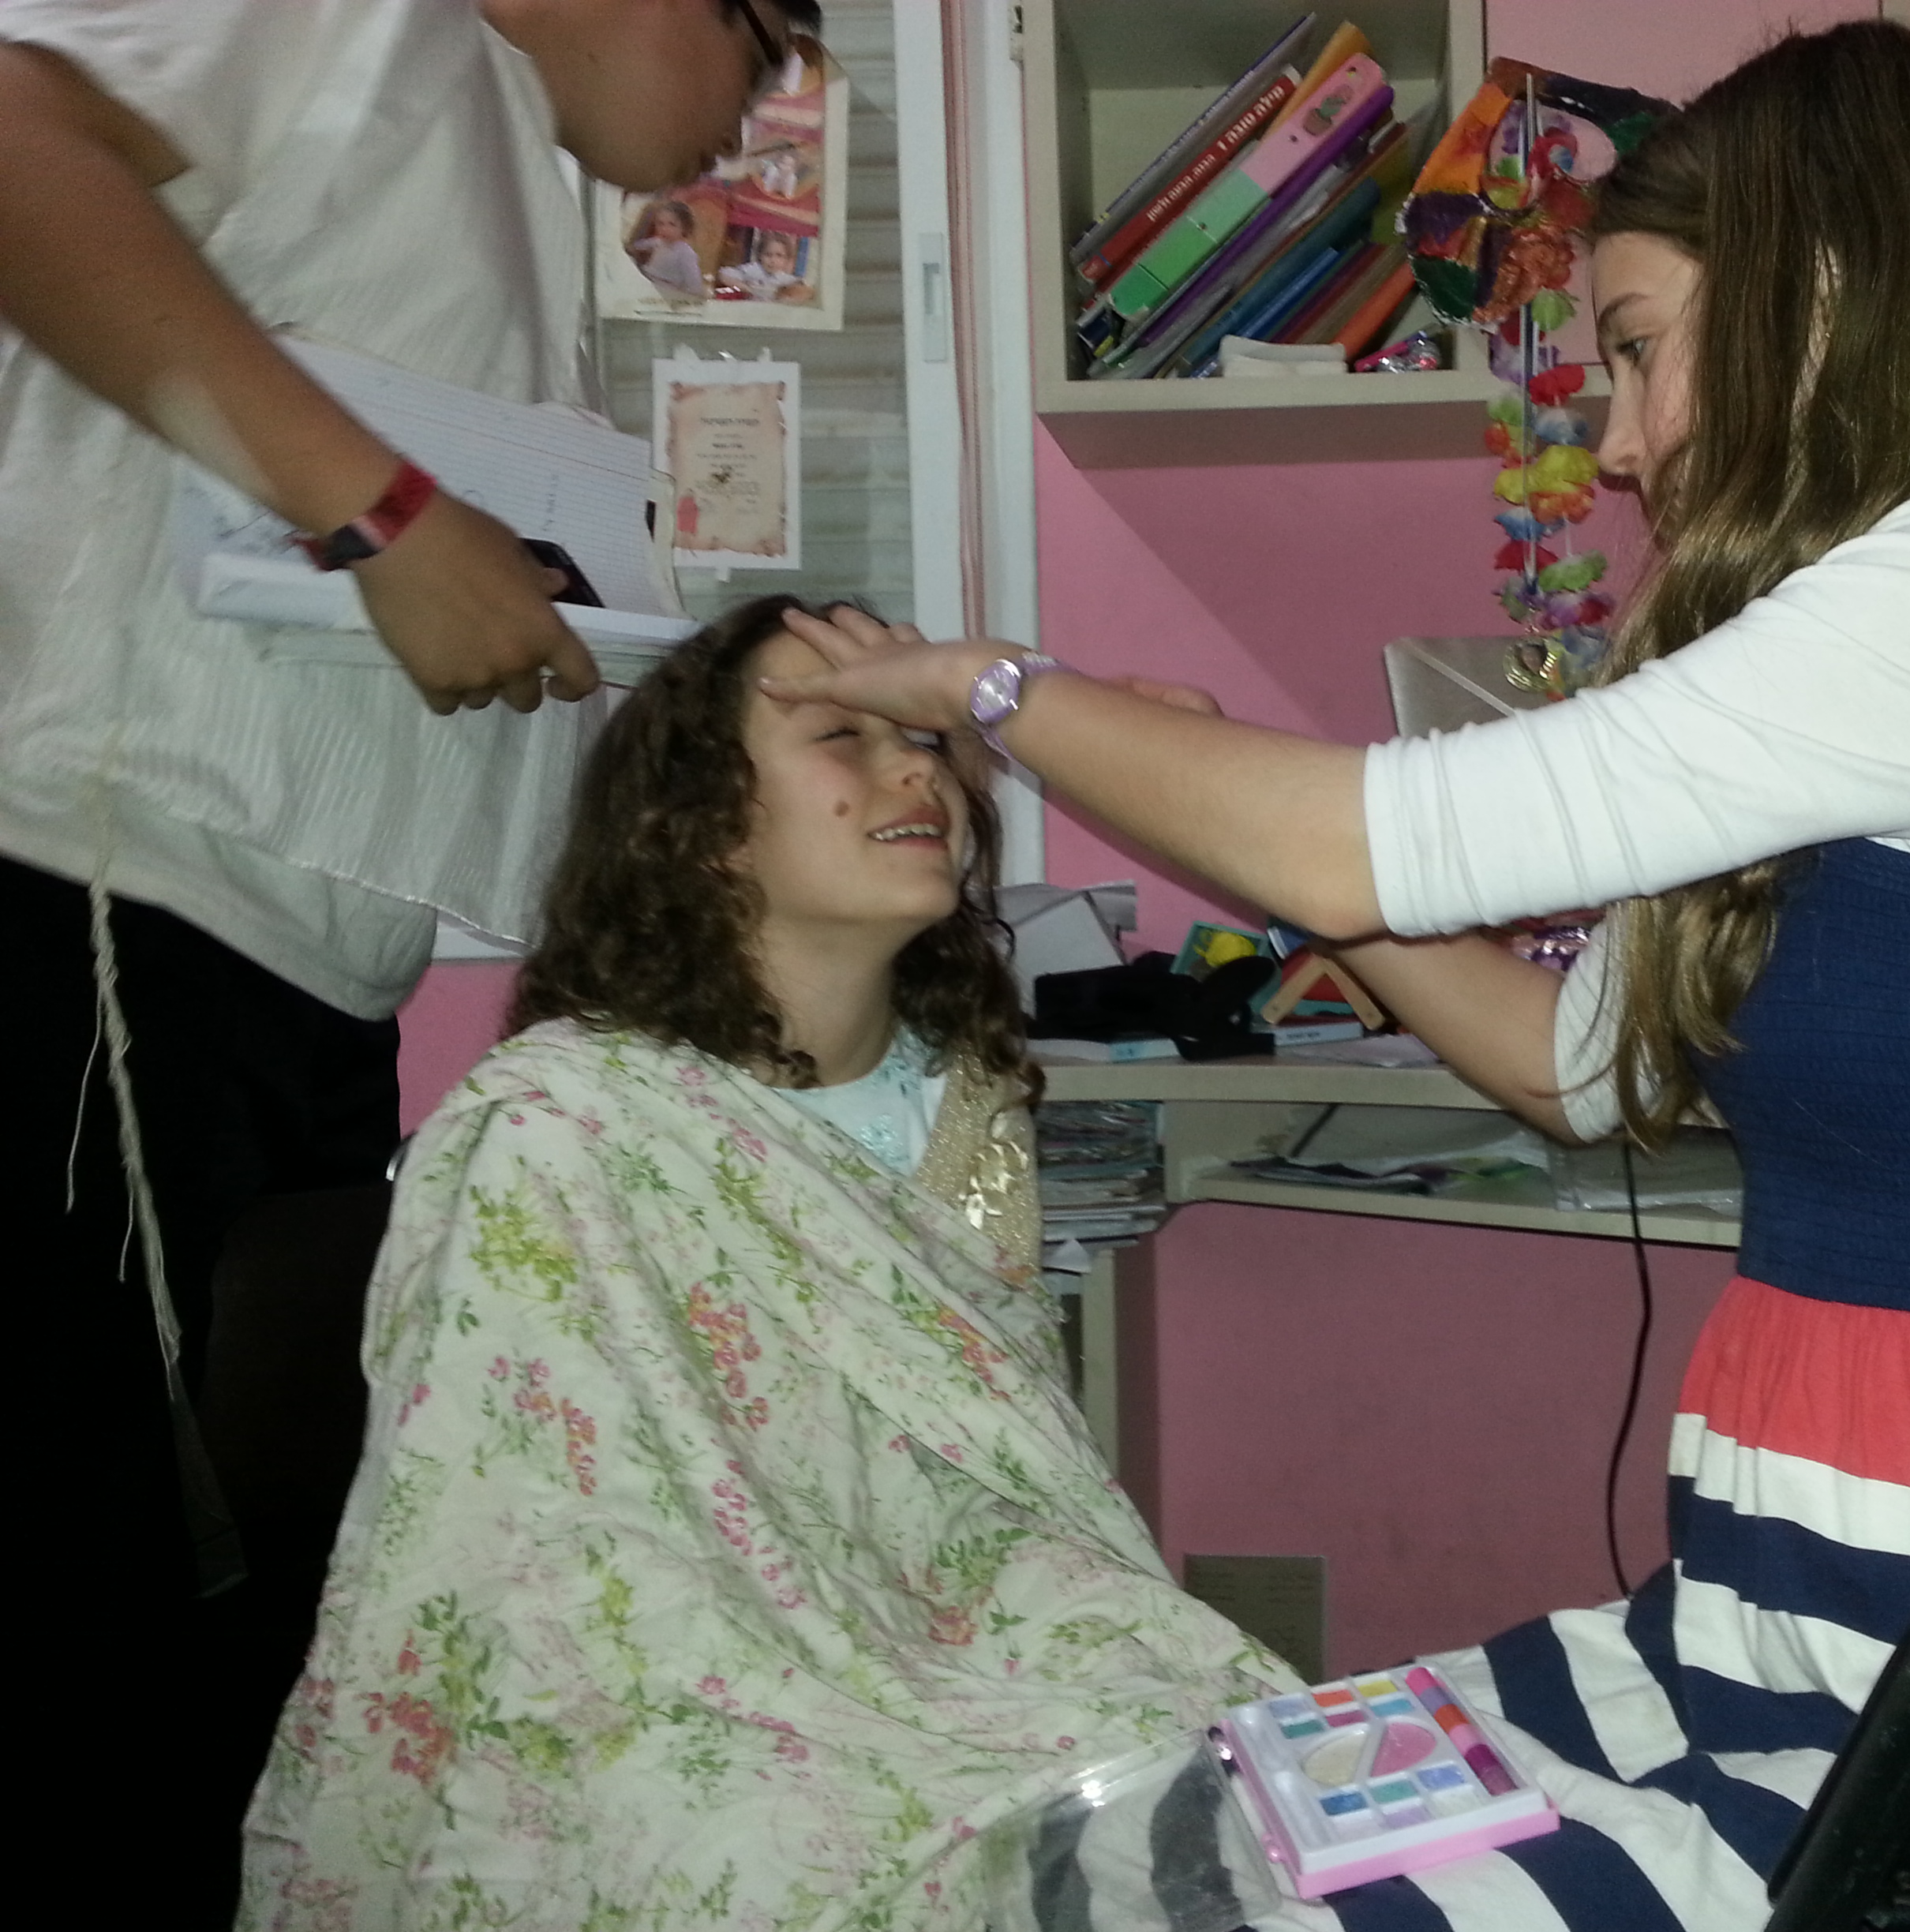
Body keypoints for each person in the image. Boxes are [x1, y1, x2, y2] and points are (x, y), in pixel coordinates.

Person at [763, 24, 1910, 1929]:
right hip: (1788, 1598)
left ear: (1816, 296)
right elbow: (1579, 1064)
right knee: (1148, 1840)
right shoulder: (1862, 635)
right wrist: (1293, 866)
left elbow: (1352, 836)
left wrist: (999, 689)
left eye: (1636, 348)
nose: (1620, 444)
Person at [0, 0, 815, 1922]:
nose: (771, 98)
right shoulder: (374, 26)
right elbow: (17, 138)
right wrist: (384, 516)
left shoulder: (504, 169)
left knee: (248, 1653)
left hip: (283, 980)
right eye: (767, 33)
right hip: (97, 933)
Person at [239, 596, 1287, 1930]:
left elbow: (990, 1464)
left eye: (927, 738)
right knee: (765, 1849)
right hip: (666, 1660)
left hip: (951, 1619)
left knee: (1210, 1733)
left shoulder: (964, 1098)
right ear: (701, 824)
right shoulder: (562, 1125)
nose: (915, 770)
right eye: (845, 736)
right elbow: (529, 1539)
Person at [630, 197, 710, 298]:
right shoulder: (657, 242)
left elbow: (694, 285)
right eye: (660, 224)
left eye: (672, 225)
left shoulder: (685, 253)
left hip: (666, 290)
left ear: (684, 227)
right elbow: (637, 246)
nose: (665, 229)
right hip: (647, 280)